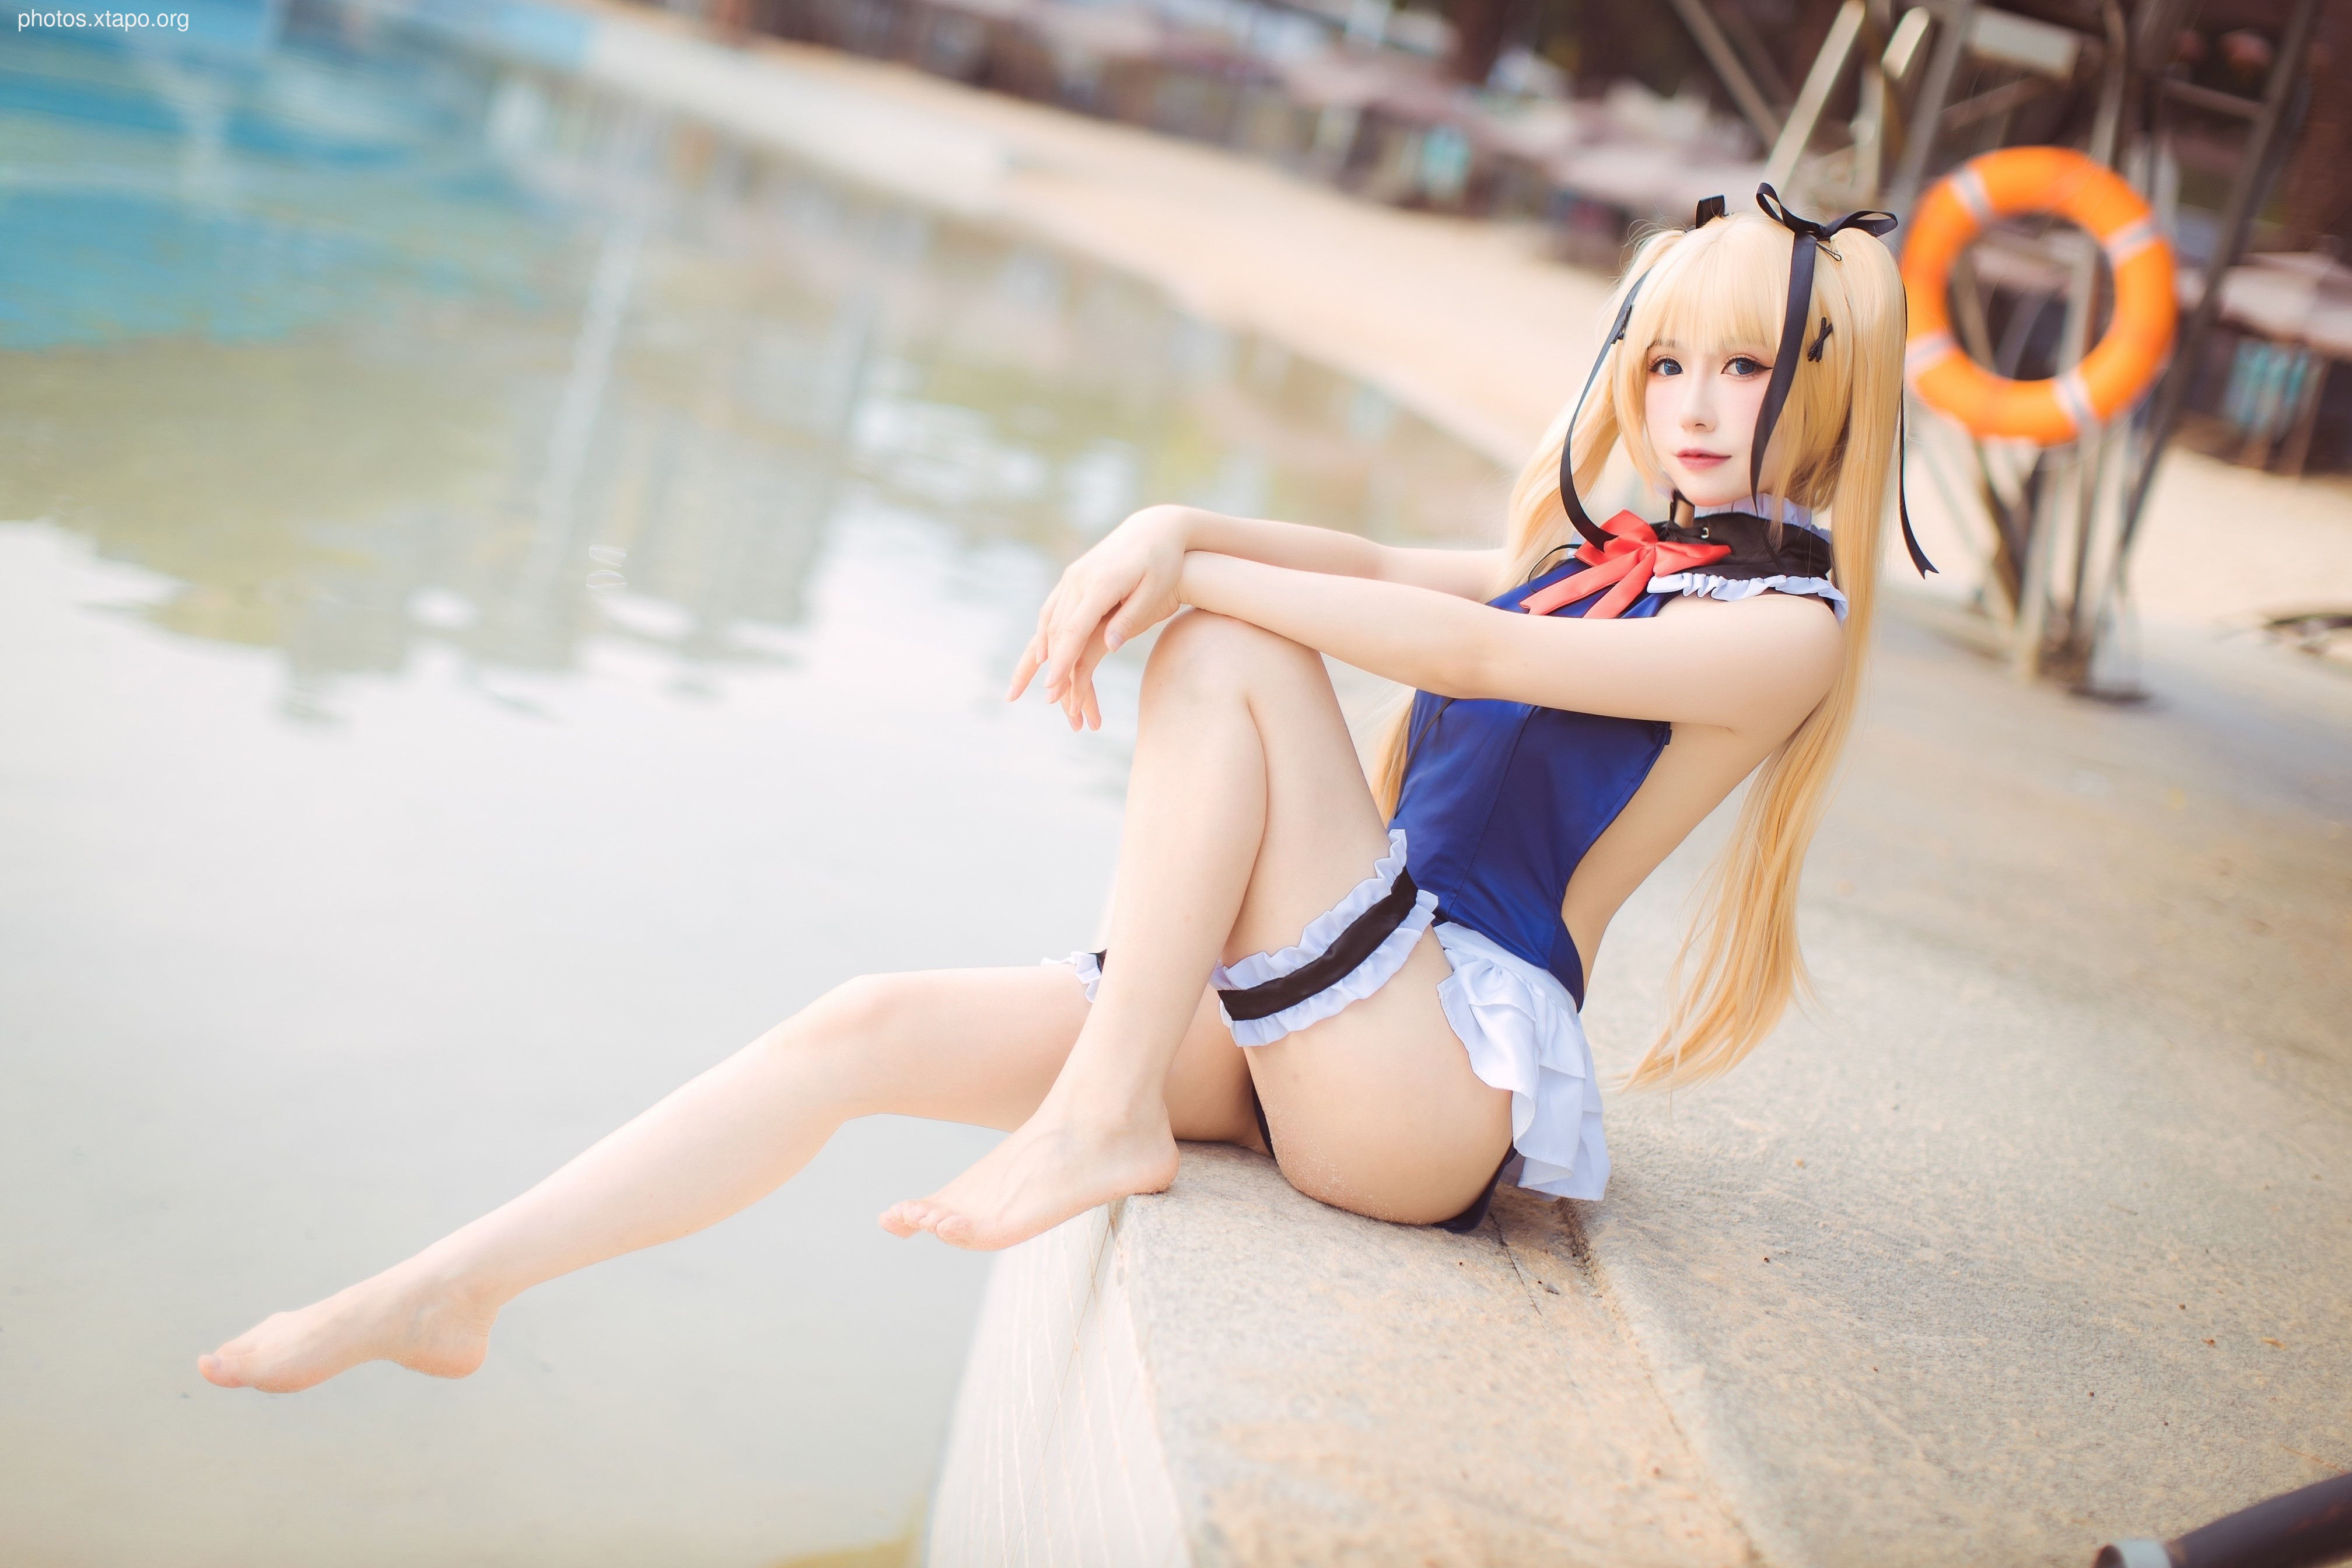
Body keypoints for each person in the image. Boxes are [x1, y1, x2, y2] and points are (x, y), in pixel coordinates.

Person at [197, 188, 1927, 1394]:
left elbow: (1457, 656)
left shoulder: (1781, 631)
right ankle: (453, 1286)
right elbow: (1361, 554)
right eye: (1671, 363)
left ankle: (1103, 1120)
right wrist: (1167, 529)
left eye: (1752, 367)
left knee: (1230, 657)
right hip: (1332, 1012)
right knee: (864, 1021)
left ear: (1831, 385)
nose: (1699, 407)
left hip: (1436, 1078)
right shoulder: (1587, 551)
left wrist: (1200, 593)